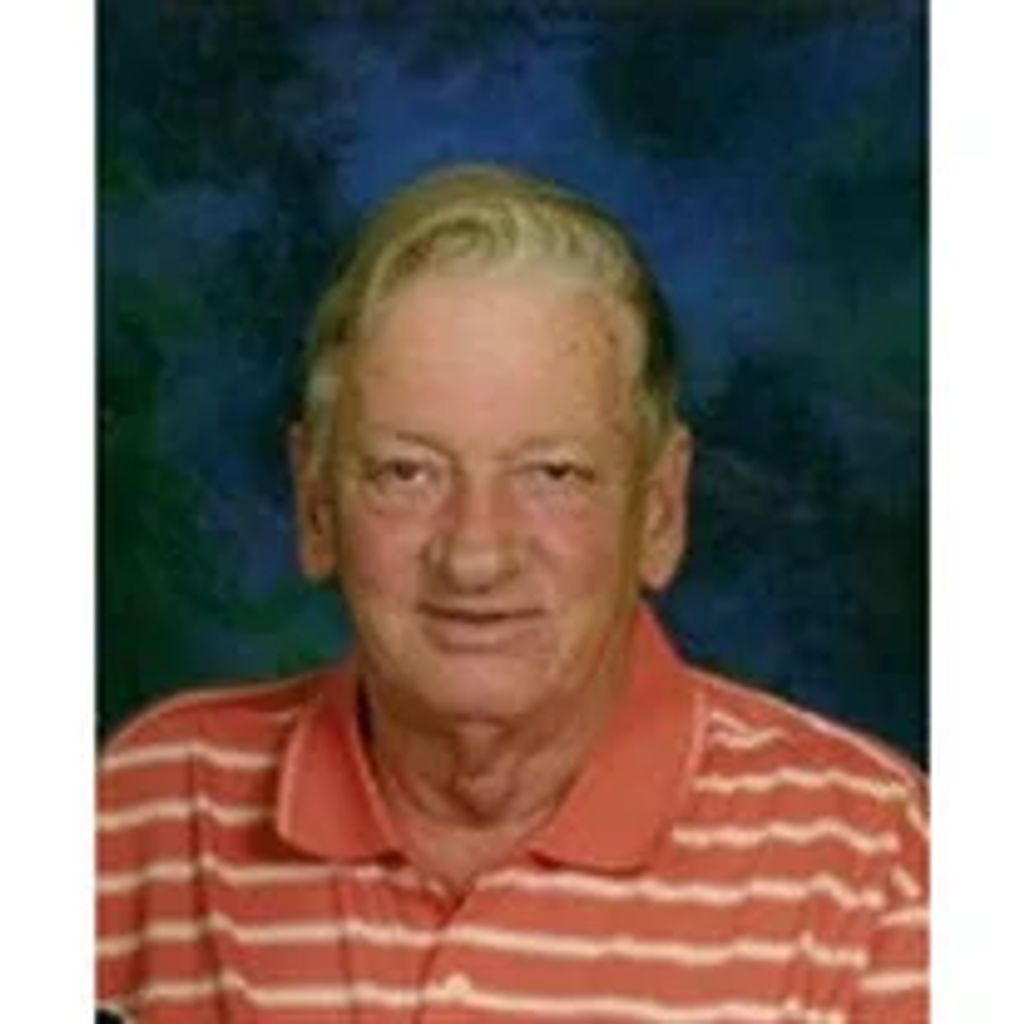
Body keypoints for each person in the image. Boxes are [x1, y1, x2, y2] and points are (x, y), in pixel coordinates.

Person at [97, 164, 928, 1023]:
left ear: (659, 510)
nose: (475, 555)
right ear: (315, 504)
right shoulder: (148, 807)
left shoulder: (872, 866)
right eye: (406, 472)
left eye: (553, 475)